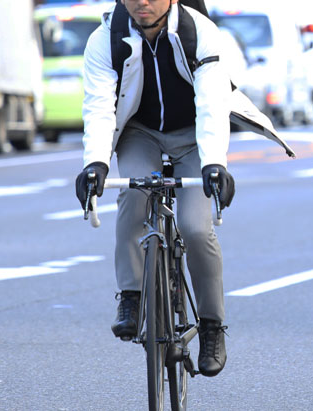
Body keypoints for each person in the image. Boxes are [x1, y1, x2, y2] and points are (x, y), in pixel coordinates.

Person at [75, 0, 235, 377]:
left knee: (196, 228)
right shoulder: (105, 38)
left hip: (193, 136)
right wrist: (95, 163)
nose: (141, 2)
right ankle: (131, 295)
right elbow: (99, 104)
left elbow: (212, 102)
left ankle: (212, 326)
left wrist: (215, 163)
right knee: (133, 193)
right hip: (140, 132)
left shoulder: (200, 33)